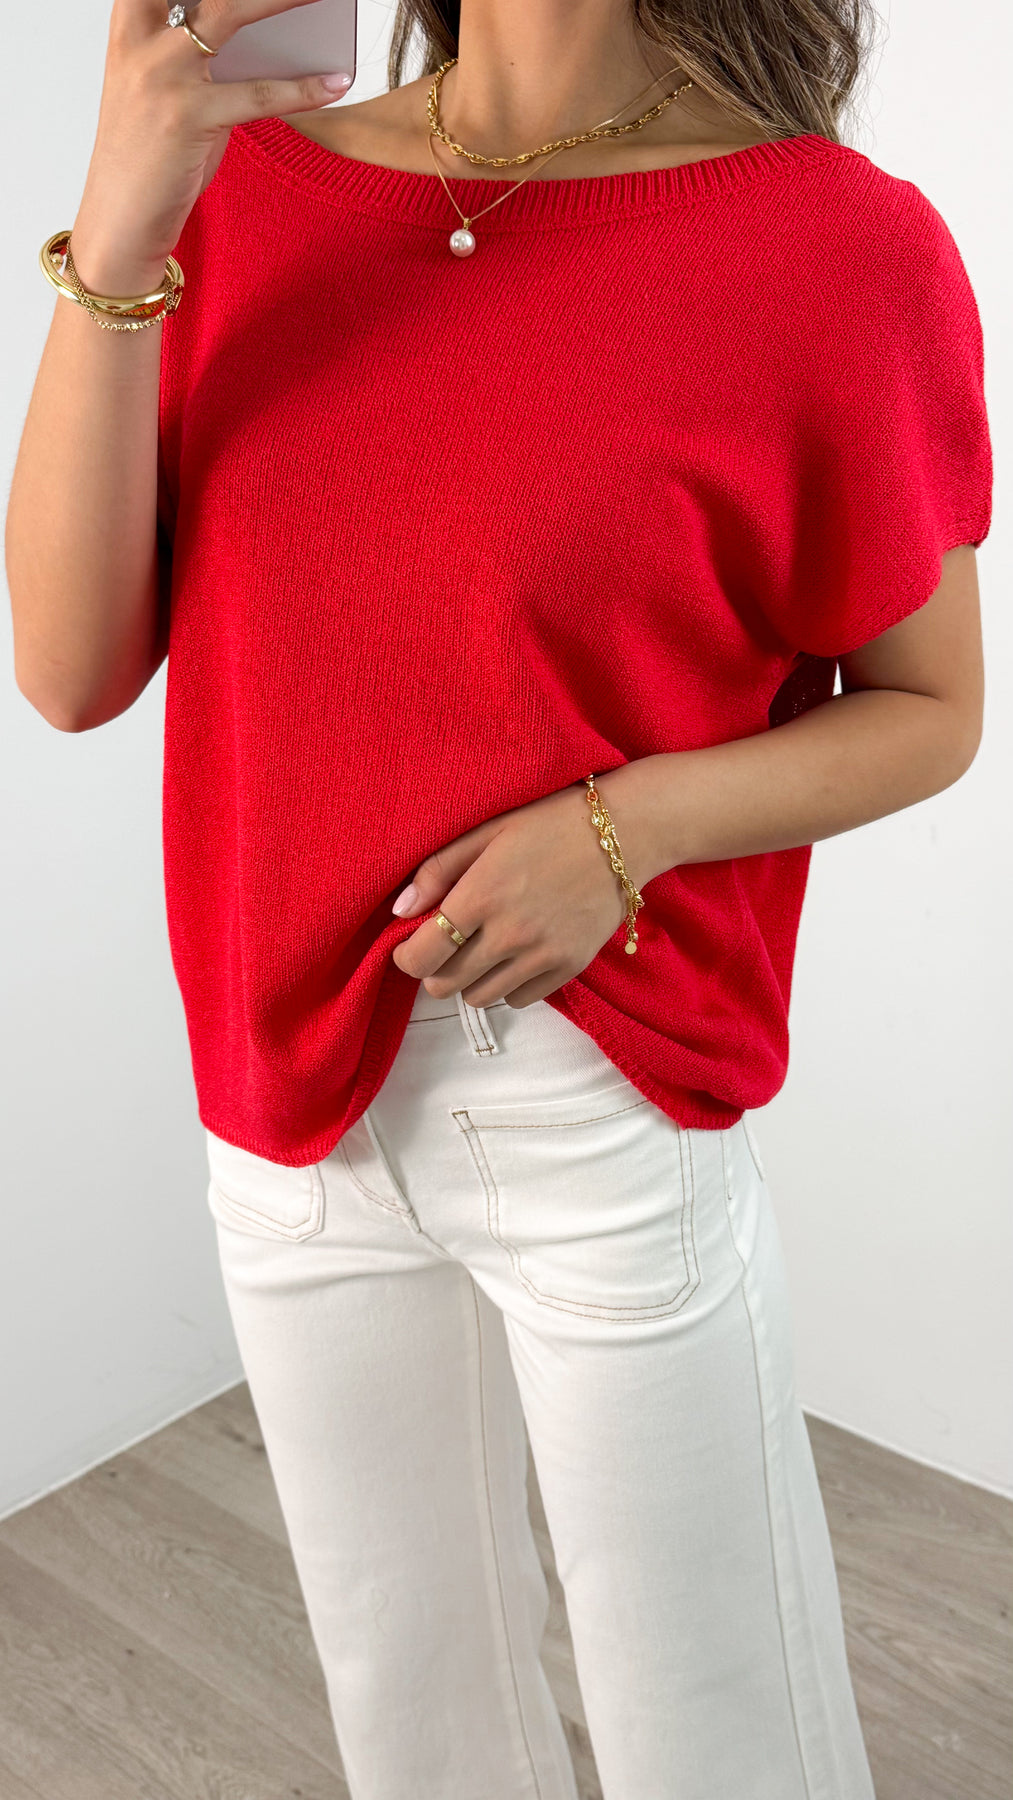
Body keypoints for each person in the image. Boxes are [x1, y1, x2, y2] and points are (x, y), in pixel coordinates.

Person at [6, 0, 993, 1795]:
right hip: (279, 1112)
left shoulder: (837, 250)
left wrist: (621, 830)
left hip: (594, 1098)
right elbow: (70, 672)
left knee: (719, 1741)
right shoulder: (245, 183)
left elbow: (929, 710)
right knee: (417, 1729)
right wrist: (126, 215)